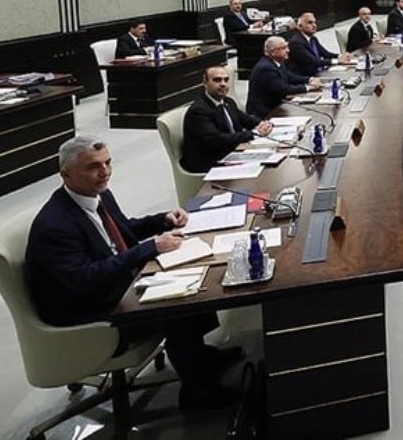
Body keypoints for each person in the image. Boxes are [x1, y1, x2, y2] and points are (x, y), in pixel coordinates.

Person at [25, 136, 242, 409]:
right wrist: (149, 248)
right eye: (93, 167)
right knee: (175, 304)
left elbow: (122, 229)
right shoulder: (55, 225)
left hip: (110, 287)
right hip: (87, 310)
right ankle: (197, 393)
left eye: (108, 163)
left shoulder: (98, 194)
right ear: (65, 174)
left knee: (195, 278)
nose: (104, 172)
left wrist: (163, 220)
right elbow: (83, 280)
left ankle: (200, 357)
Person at [181, 65, 272, 173]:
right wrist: (254, 134)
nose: (223, 84)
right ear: (205, 83)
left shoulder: (228, 102)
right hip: (211, 163)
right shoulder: (199, 111)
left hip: (232, 154)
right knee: (264, 171)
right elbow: (217, 139)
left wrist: (262, 123)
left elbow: (245, 119)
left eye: (226, 80)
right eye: (217, 80)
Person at [246, 36, 320, 118]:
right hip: (264, 113)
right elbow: (284, 89)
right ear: (273, 52)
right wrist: (308, 87)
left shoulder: (277, 62)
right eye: (284, 48)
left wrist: (309, 79)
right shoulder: (266, 68)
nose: (288, 50)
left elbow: (290, 77)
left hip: (277, 106)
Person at [286, 12, 351, 77]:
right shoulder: (296, 43)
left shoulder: (313, 38)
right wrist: (337, 61)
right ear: (300, 26)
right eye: (310, 23)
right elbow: (313, 61)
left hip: (320, 72)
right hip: (308, 77)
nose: (314, 25)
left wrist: (340, 56)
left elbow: (325, 54)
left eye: (315, 22)